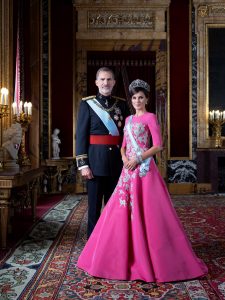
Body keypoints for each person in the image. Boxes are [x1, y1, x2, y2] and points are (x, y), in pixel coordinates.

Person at [77, 79, 208, 282]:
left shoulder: (151, 118)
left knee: (147, 212)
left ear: (147, 99)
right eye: (134, 97)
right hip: (128, 170)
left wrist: (137, 159)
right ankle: (118, 254)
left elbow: (158, 146)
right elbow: (122, 144)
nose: (137, 100)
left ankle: (150, 253)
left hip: (144, 171)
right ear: (131, 99)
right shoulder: (128, 120)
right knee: (119, 211)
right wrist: (124, 159)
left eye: (141, 97)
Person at [75, 67, 130, 238]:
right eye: (102, 79)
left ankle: (115, 240)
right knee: (94, 208)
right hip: (95, 163)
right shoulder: (87, 103)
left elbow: (127, 136)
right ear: (96, 82)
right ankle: (93, 242)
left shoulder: (121, 104)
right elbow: (81, 136)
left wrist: (128, 160)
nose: (106, 83)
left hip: (117, 163)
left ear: (114, 82)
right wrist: (83, 165)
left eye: (109, 79)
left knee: (117, 207)